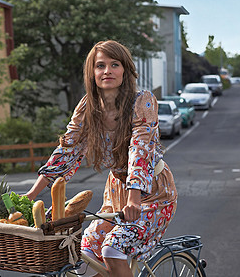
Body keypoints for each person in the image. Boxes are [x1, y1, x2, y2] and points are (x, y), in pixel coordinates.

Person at [24, 40, 177, 277]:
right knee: (86, 252)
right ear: (92, 72)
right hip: (116, 191)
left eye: (114, 64)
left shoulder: (142, 101)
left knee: (112, 249)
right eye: (100, 65)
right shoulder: (87, 107)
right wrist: (30, 196)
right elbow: (67, 150)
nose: (107, 71)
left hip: (152, 193)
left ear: (125, 70)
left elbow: (140, 151)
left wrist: (134, 199)